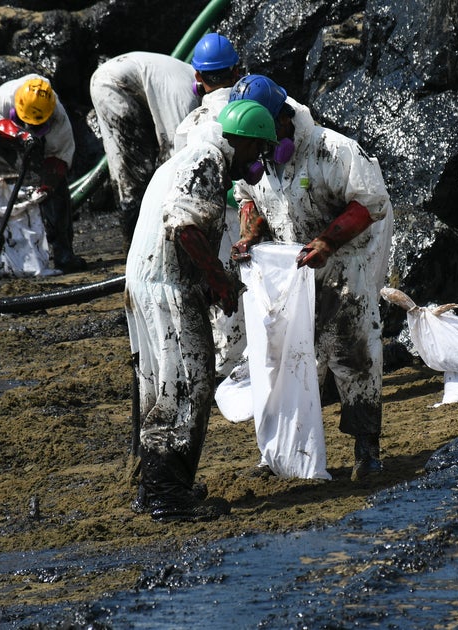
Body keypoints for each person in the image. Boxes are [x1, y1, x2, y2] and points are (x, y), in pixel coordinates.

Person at [229, 75, 394, 481]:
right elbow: (249, 199)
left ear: (281, 122)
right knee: (284, 361)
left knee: (353, 354)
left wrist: (328, 242)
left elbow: (370, 203)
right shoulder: (262, 158)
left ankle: (366, 450)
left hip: (343, 265)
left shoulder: (332, 150)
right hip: (291, 271)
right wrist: (250, 233)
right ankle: (282, 450)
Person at [125, 99, 277, 521]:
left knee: (159, 385)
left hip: (146, 282)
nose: (257, 161)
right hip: (168, 286)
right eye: (257, 150)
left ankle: (155, 486)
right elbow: (185, 228)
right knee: (188, 387)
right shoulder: (208, 161)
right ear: (242, 142)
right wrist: (220, 282)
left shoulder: (186, 156)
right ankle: (167, 499)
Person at [89, 52, 201, 244]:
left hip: (114, 78)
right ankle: (139, 244)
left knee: (126, 168)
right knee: (135, 171)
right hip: (115, 85)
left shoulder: (189, 78)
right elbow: (176, 150)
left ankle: (138, 241)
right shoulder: (186, 96)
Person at [0, 74, 84, 272]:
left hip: (40, 150)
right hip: (0, 145)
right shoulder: (0, 100)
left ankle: (63, 252)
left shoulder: (58, 118)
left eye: (37, 124)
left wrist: (47, 185)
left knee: (57, 193)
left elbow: (59, 156)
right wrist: (19, 135)